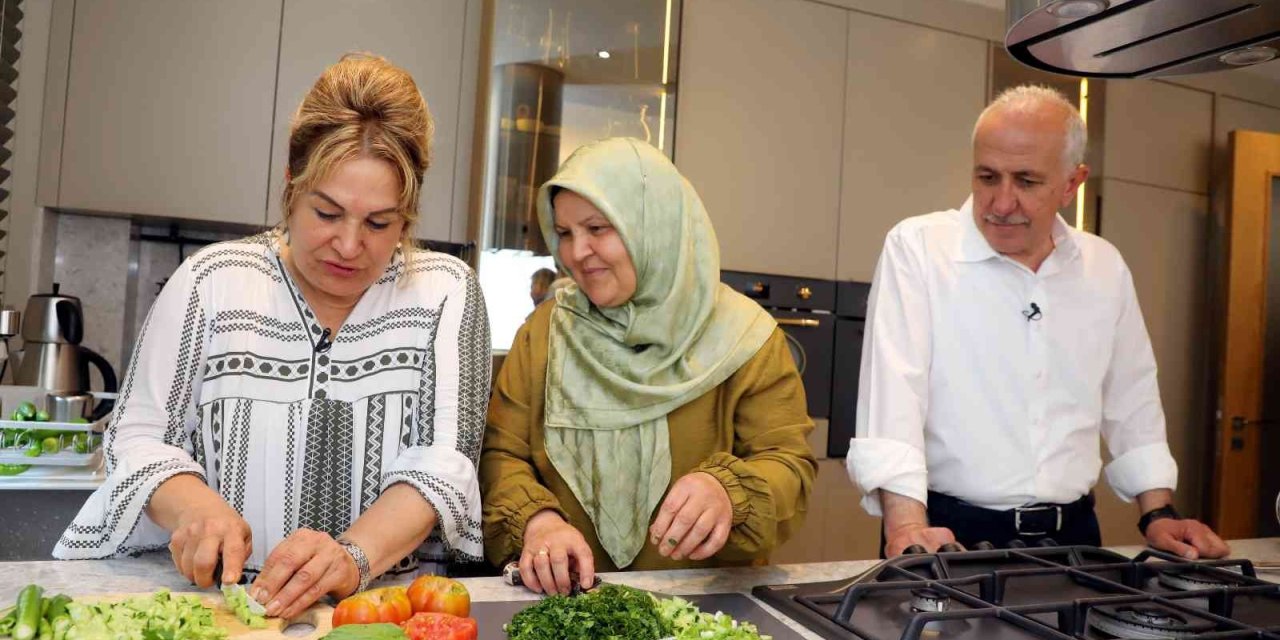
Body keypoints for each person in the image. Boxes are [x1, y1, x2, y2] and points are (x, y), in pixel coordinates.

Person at [54, 53, 491, 618]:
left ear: (408, 216)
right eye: (327, 213)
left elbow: (446, 463)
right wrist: (195, 509)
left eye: (380, 223)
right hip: (219, 608)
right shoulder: (210, 282)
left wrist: (354, 556)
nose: (350, 245)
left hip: (382, 614)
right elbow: (137, 437)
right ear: (292, 185)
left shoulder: (446, 292)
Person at [847, 85, 1229, 560]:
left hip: (1074, 537)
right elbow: (893, 397)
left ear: (1073, 183)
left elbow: (1132, 397)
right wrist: (904, 525)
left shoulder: (1103, 266)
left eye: (1026, 182)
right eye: (987, 177)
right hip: (947, 536)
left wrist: (1158, 511)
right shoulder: (919, 249)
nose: (1001, 203)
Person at [481, 137, 817, 595]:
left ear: (654, 224)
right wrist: (537, 522)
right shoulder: (544, 334)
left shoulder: (747, 339)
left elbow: (788, 467)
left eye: (598, 228)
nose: (577, 252)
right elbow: (502, 454)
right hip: (564, 606)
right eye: (564, 233)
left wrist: (727, 495)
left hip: (706, 609)